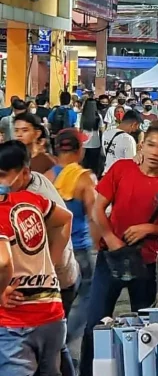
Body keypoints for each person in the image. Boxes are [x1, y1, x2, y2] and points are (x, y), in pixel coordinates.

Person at [81, 120, 158, 376]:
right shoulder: (121, 169)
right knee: (95, 323)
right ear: (141, 145)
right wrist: (111, 238)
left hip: (147, 262)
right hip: (111, 258)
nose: (155, 152)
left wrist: (149, 229)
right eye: (151, 145)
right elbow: (97, 208)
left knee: (147, 327)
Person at [0, 141, 74, 375]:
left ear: (23, 173)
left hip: (17, 319)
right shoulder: (33, 199)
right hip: (51, 312)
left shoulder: (6, 208)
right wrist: (48, 267)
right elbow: (66, 218)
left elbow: (3, 262)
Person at [45, 129, 97, 366]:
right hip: (82, 249)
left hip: (56, 250)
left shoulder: (45, 177)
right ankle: (66, 340)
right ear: (79, 150)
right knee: (87, 297)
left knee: (61, 300)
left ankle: (56, 342)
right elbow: (94, 216)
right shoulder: (85, 178)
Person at [101, 110, 142, 175]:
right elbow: (131, 164)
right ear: (134, 124)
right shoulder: (128, 139)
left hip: (106, 173)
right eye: (138, 126)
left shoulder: (106, 133)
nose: (137, 129)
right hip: (119, 176)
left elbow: (106, 153)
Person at [79, 98, 104, 175]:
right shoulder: (98, 116)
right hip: (95, 144)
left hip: (83, 144)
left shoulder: (81, 116)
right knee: (94, 165)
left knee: (84, 166)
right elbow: (102, 130)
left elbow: (78, 130)